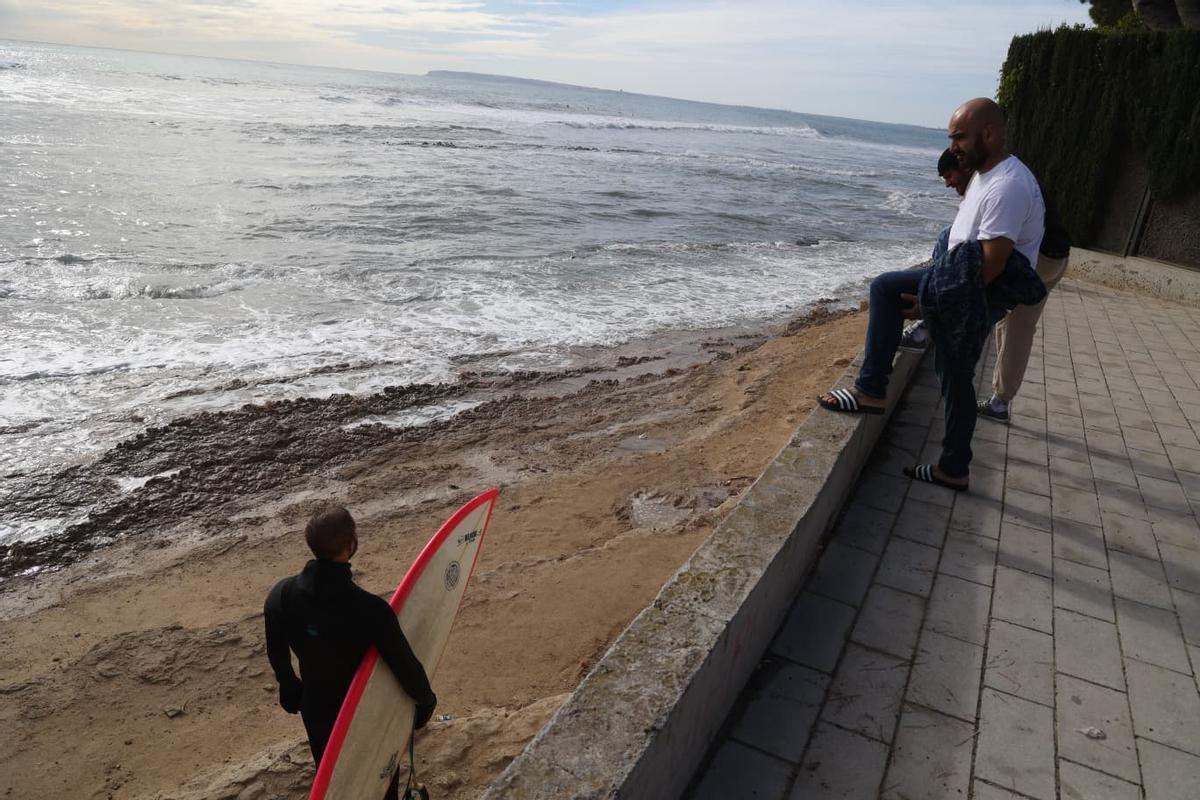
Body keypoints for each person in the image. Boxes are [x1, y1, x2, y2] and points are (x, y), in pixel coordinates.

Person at [818, 98, 1047, 491]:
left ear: (988, 133)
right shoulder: (983, 175)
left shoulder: (1009, 186)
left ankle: (871, 391)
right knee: (954, 374)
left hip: (980, 291)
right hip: (961, 281)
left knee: (887, 290)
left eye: (959, 137)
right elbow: (960, 238)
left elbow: (989, 268)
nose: (953, 145)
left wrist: (928, 301)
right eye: (951, 137)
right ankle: (954, 468)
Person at [265, 506, 437, 800]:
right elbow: (404, 663)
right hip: (365, 710)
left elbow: (275, 644)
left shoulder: (281, 594)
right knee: (379, 784)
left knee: (336, 781)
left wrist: (289, 684)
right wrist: (424, 703)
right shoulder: (370, 610)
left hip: (317, 707)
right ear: (351, 546)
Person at [977, 180, 1071, 422]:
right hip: (1057, 258)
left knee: (1014, 327)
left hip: (1040, 259)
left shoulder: (1002, 184)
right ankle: (1000, 398)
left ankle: (1000, 402)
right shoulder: (1021, 176)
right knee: (1016, 325)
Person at [900, 149, 975, 350]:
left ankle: (927, 319)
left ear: (965, 167)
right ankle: (929, 303)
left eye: (950, 176)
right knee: (946, 236)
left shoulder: (983, 189)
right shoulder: (973, 190)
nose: (947, 183)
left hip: (1040, 262)